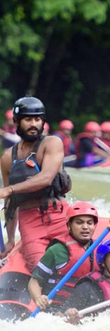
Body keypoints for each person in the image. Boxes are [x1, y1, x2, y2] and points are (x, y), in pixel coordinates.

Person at [0, 97, 72, 272]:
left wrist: (9, 189)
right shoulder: (8, 157)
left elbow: (46, 178)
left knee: (70, 262)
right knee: (39, 269)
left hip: (58, 215)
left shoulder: (52, 143)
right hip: (29, 222)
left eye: (38, 119)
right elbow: (11, 203)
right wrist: (10, 240)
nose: (34, 124)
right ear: (17, 122)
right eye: (28, 119)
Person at [28, 202, 101, 313]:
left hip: (84, 310)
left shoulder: (100, 250)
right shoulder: (56, 250)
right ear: (69, 226)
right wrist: (38, 298)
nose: (85, 227)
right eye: (79, 223)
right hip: (57, 310)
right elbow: (35, 281)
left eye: (89, 223)